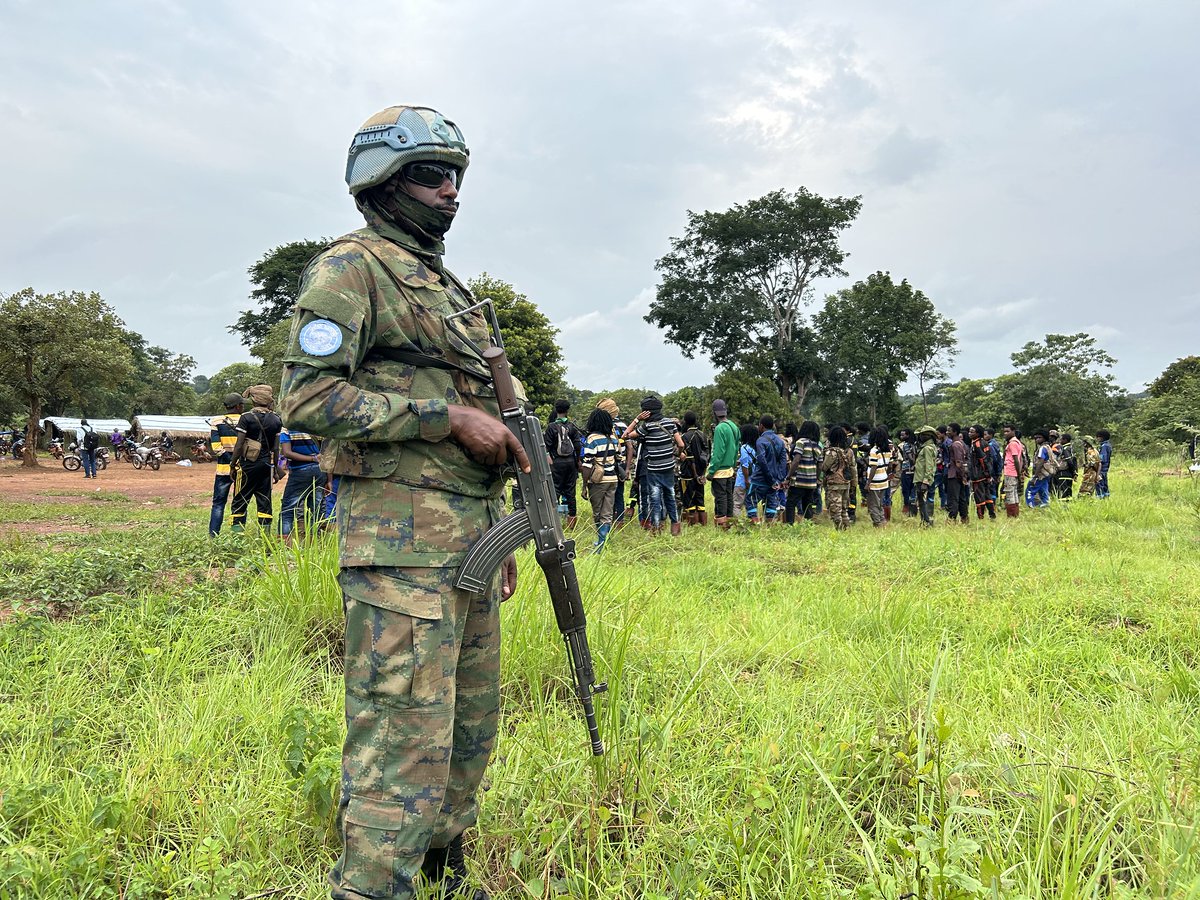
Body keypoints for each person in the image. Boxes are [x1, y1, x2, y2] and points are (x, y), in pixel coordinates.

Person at [278, 105, 532, 900]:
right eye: (429, 175)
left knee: (468, 728)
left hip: (465, 543)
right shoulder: (350, 269)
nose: (450, 190)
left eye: (455, 175)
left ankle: (442, 875)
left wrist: (499, 531)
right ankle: (373, 887)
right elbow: (306, 398)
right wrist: (442, 417)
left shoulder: (445, 286)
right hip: (399, 548)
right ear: (382, 183)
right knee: (403, 732)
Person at [624, 396, 684, 535]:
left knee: (655, 499)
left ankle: (656, 529)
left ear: (646, 412)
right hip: (668, 467)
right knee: (670, 496)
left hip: (653, 469)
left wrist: (637, 419)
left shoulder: (647, 427)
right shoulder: (670, 423)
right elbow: (681, 444)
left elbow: (625, 435)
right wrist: (676, 453)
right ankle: (675, 527)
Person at [230, 384, 283, 531]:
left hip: (247, 466)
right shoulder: (276, 419)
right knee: (265, 502)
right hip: (266, 466)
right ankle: (264, 539)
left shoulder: (246, 418)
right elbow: (276, 448)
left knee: (239, 501)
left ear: (253, 400)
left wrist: (232, 464)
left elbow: (239, 445)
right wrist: (276, 468)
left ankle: (237, 539)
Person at [580, 408, 619, 550]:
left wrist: (584, 485)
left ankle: (600, 543)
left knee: (597, 512)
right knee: (607, 512)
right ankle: (604, 541)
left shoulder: (592, 439)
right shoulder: (613, 438)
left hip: (598, 481)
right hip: (612, 479)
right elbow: (619, 457)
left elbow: (587, 464)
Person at [278, 425, 324, 541]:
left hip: (299, 471)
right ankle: (314, 542)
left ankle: (284, 545)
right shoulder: (317, 425)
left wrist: (311, 459)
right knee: (316, 509)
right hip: (319, 471)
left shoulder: (287, 428)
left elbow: (287, 453)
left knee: (288, 510)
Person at [544, 399, 583, 529]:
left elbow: (546, 446)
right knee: (571, 492)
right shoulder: (571, 426)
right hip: (571, 462)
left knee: (555, 490)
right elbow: (578, 445)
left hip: (556, 462)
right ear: (567, 410)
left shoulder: (551, 427)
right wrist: (578, 460)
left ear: (556, 409)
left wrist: (549, 459)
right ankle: (571, 521)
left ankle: (554, 521)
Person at [208, 393, 244, 535]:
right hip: (242, 469)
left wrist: (229, 462)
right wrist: (236, 463)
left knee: (218, 504)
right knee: (240, 503)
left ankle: (213, 535)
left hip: (223, 469)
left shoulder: (216, 421)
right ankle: (237, 535)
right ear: (238, 406)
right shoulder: (246, 419)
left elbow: (216, 447)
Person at [595, 398, 628, 527]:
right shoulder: (623, 426)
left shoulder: (601, 427)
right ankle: (619, 521)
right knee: (619, 494)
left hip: (606, 464)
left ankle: (605, 522)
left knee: (605, 494)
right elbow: (629, 447)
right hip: (621, 463)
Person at [708, 399, 739, 529]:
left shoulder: (719, 428)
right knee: (728, 497)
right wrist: (733, 465)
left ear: (714, 413)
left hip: (719, 470)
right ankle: (729, 523)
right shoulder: (734, 426)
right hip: (730, 469)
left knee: (720, 498)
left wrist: (711, 471)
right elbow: (736, 448)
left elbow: (718, 452)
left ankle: (722, 525)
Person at [751, 415, 788, 525]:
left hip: (760, 479)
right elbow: (783, 462)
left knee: (750, 501)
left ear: (761, 426)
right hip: (775, 480)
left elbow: (762, 461)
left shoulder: (760, 441)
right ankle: (769, 526)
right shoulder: (780, 441)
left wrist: (770, 479)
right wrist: (778, 479)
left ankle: (753, 526)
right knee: (771, 504)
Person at [785, 420, 822, 523]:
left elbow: (796, 460)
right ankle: (808, 525)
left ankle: (789, 525)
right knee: (808, 505)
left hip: (799, 480)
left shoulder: (801, 442)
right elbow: (820, 465)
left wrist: (788, 477)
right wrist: (816, 478)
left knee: (791, 503)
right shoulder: (817, 446)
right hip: (811, 482)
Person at [679, 411, 710, 526]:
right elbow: (707, 455)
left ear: (685, 421)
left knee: (689, 498)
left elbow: (690, 457)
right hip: (701, 472)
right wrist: (702, 474)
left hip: (688, 473)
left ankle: (692, 524)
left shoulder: (684, 437)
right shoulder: (703, 435)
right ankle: (703, 523)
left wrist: (695, 474)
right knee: (700, 498)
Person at [821, 426, 854, 531]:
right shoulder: (848, 451)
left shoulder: (832, 452)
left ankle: (839, 530)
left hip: (834, 483)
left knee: (835, 510)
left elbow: (824, 467)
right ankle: (846, 529)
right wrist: (853, 484)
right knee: (844, 509)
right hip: (846, 482)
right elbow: (853, 469)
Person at [864, 425, 893, 527]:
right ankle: (883, 521)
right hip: (884, 480)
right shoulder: (888, 450)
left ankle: (878, 523)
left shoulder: (874, 450)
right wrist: (885, 474)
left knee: (873, 504)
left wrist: (868, 483)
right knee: (880, 503)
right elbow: (890, 465)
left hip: (875, 481)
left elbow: (873, 467)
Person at [968, 425, 996, 519]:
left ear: (978, 433)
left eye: (972, 432)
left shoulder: (977, 444)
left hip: (979, 474)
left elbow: (983, 459)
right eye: (969, 431)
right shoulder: (983, 442)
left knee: (979, 495)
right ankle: (992, 515)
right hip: (984, 473)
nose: (969, 433)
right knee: (987, 494)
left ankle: (981, 517)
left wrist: (987, 473)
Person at [913, 425, 938, 527]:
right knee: (921, 500)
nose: (920, 437)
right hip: (921, 477)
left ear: (928, 436)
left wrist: (925, 481)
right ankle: (925, 520)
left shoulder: (927, 448)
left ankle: (926, 521)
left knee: (922, 501)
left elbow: (929, 466)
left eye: (923, 435)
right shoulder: (929, 447)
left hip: (922, 478)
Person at [945, 423, 970, 524]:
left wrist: (962, 475)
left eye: (949, 430)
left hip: (955, 474)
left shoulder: (955, 445)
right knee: (961, 497)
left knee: (953, 498)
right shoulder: (961, 443)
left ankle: (952, 519)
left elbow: (958, 462)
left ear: (955, 432)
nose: (947, 432)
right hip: (959, 474)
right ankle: (964, 518)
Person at [734, 423, 758, 523]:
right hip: (754, 480)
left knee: (737, 504)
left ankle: (738, 524)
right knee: (751, 504)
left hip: (742, 481)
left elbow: (745, 466)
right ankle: (753, 523)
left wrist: (746, 479)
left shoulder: (744, 448)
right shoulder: (757, 448)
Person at [1000, 425, 1025, 518]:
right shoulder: (1017, 442)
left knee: (1009, 494)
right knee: (1014, 493)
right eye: (1004, 432)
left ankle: (1011, 515)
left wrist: (1018, 473)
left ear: (1013, 431)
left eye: (1008, 431)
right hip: (1013, 472)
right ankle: (1015, 515)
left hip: (1010, 472)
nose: (1005, 433)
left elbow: (1016, 460)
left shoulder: (1012, 444)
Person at [1027, 429, 1054, 508]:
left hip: (1041, 473)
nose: (1037, 440)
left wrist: (1035, 476)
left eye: (1039, 437)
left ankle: (1031, 505)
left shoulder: (1042, 448)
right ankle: (1045, 504)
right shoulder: (1048, 447)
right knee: (1043, 489)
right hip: (1047, 473)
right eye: (1035, 438)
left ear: (1044, 438)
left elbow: (1040, 461)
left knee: (1030, 489)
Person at [897, 427, 917, 516]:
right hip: (914, 470)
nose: (901, 437)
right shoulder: (915, 444)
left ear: (908, 435)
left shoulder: (905, 445)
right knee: (913, 490)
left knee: (906, 490)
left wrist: (913, 463)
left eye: (903, 435)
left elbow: (910, 457)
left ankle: (906, 507)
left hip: (906, 469)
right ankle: (913, 509)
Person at [1055, 432, 1077, 500]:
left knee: (1063, 492)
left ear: (1065, 440)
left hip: (1063, 473)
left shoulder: (1065, 449)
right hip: (1069, 474)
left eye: (1061, 439)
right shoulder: (1071, 448)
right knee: (1068, 492)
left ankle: (1063, 505)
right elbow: (1074, 461)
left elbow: (1069, 461)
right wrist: (1074, 472)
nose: (1060, 441)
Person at [1096, 429, 1113, 497]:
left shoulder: (1104, 446)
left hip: (1101, 469)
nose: (1097, 438)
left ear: (1102, 437)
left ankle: (1100, 497)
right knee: (1105, 484)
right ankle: (1106, 497)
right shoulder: (1108, 445)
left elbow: (1102, 459)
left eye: (1098, 437)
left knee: (1099, 484)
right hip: (1105, 469)